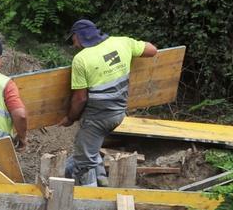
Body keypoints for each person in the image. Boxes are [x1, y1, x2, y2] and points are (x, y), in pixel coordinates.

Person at [59, 19, 158, 186]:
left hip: (97, 119)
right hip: (118, 114)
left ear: (79, 36)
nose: (74, 44)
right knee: (90, 145)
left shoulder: (81, 59)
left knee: (83, 163)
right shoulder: (123, 42)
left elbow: (80, 98)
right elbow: (152, 50)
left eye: (73, 39)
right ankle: (102, 180)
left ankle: (91, 199)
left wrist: (70, 118)